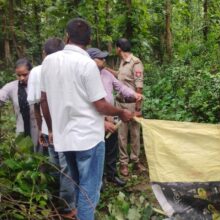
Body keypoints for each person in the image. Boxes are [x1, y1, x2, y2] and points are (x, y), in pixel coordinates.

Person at [40, 18, 134, 220]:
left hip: (64, 139)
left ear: (67, 36)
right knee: (89, 191)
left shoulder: (48, 62)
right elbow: (99, 104)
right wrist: (121, 113)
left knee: (77, 185)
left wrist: (51, 129)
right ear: (89, 40)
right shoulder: (87, 64)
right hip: (88, 140)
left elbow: (44, 101)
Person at [27, 38, 76, 218]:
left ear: (44, 53)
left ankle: (58, 197)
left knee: (56, 165)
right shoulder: (68, 68)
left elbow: (36, 105)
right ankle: (67, 205)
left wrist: (42, 129)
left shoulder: (36, 72)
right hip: (64, 128)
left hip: (49, 128)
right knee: (66, 168)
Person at [87, 47, 142, 187]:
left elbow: (120, 87)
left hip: (110, 116)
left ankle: (111, 175)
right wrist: (102, 121)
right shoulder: (86, 76)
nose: (104, 60)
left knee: (111, 148)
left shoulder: (106, 74)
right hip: (95, 118)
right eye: (101, 58)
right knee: (97, 151)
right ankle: (100, 180)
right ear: (91, 60)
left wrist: (134, 94)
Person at [108, 38, 145, 176]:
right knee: (122, 135)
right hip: (120, 103)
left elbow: (139, 87)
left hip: (132, 104)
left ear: (119, 49)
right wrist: (106, 70)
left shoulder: (136, 63)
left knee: (134, 134)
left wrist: (137, 109)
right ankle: (124, 163)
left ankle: (135, 161)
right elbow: (121, 77)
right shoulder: (122, 62)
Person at [0, 58, 39, 150]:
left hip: (39, 130)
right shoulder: (11, 87)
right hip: (21, 131)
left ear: (31, 72)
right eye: (18, 75)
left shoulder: (39, 84)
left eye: (25, 75)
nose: (21, 78)